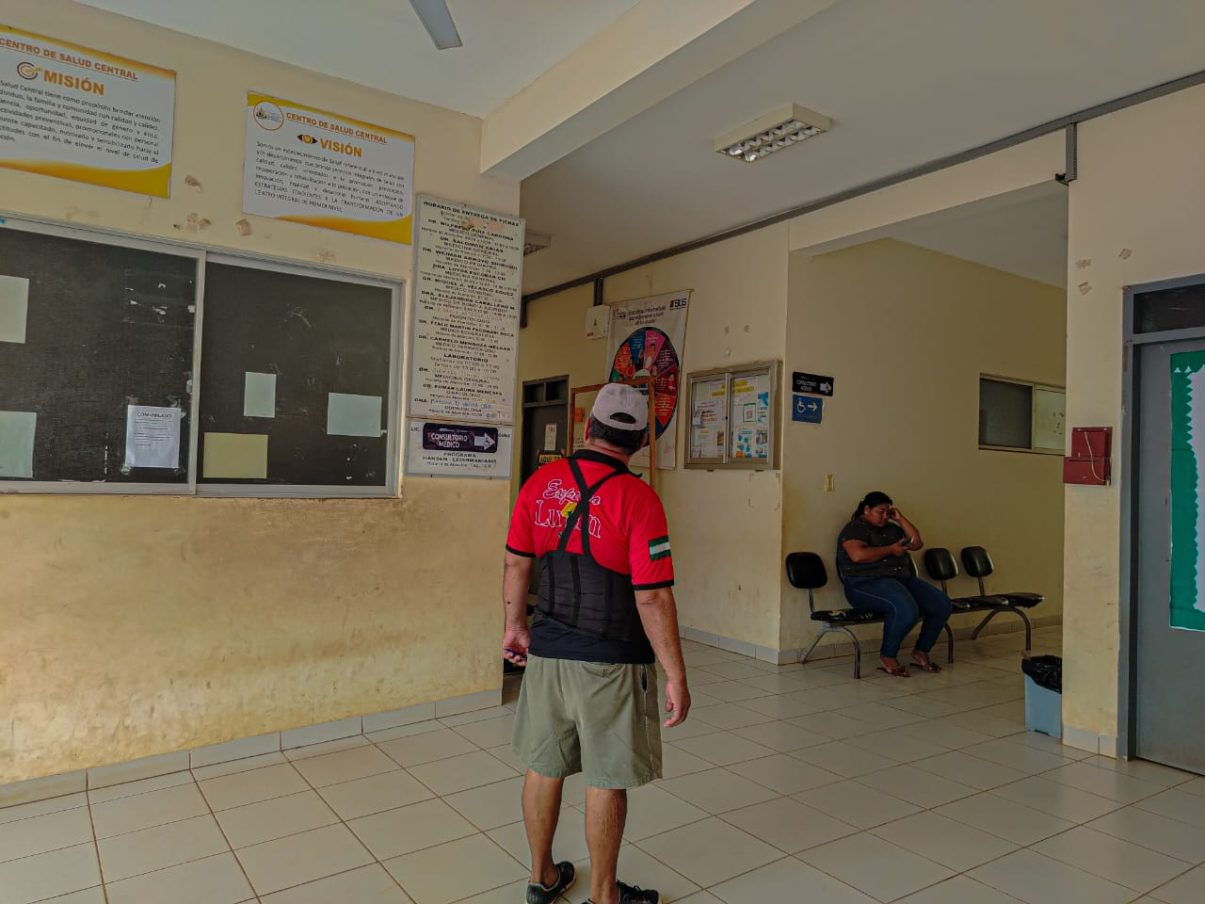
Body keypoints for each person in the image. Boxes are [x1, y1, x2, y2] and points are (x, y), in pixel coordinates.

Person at [502, 383, 690, 904]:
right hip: (611, 659)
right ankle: (604, 895)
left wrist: (514, 626)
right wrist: (676, 674)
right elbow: (652, 597)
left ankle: (542, 878)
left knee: (544, 766)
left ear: (588, 428)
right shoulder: (640, 499)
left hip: (547, 653)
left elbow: (517, 562)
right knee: (605, 777)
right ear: (642, 441)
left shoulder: (541, 484)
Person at [836, 491, 953, 677]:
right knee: (905, 609)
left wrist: (900, 519)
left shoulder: (892, 528)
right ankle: (888, 655)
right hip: (864, 583)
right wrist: (890, 549)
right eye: (880, 512)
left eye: (888, 512)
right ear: (866, 509)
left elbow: (916, 543)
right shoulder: (855, 528)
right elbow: (858, 555)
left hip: (901, 579)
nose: (885, 516)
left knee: (942, 604)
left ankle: (921, 650)